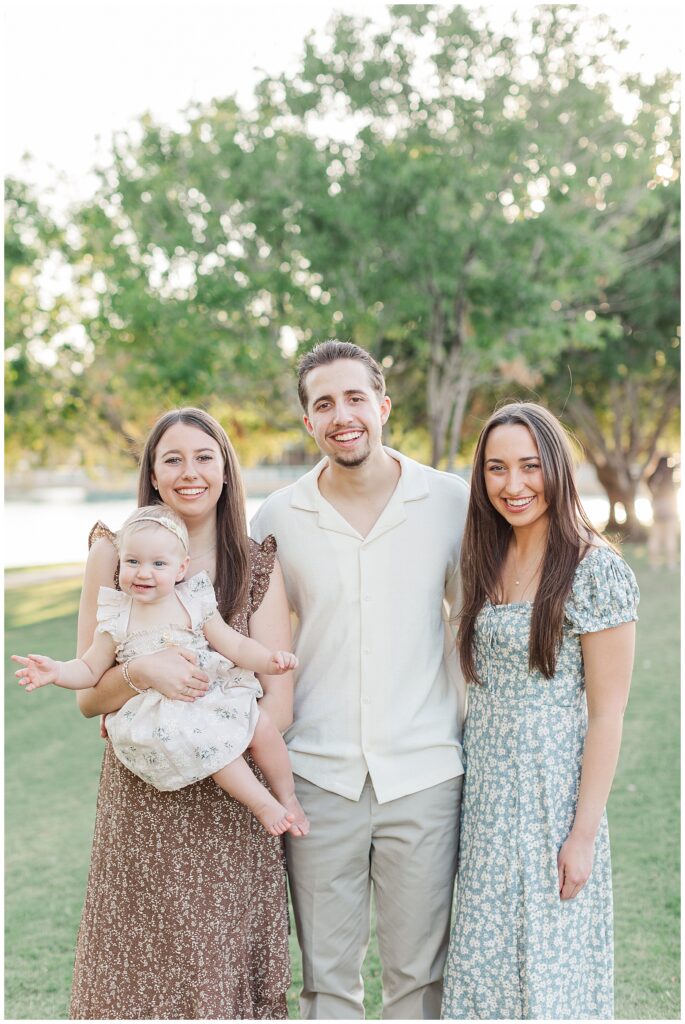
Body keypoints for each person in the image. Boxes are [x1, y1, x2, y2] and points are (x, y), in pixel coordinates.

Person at [251, 339, 469, 1019]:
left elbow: (471, 624)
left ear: (381, 405)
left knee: (418, 981)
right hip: (317, 778)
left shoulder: (451, 502)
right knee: (325, 984)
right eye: (323, 404)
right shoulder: (277, 518)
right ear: (307, 423)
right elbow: (263, 646)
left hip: (425, 776)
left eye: (353, 398)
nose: (340, 414)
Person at [68, 408, 294, 1019]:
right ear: (153, 473)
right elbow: (90, 697)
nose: (189, 472)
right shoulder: (112, 557)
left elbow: (279, 703)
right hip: (142, 802)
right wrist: (142, 673)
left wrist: (210, 740)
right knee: (137, 980)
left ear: (226, 471)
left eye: (204, 457)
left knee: (218, 982)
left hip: (232, 805)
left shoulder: (256, 563)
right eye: (172, 459)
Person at [441, 402, 639, 1020]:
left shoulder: (595, 571)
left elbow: (607, 716)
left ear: (557, 467)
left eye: (530, 466)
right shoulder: (484, 561)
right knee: (484, 973)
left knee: (549, 980)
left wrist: (580, 838)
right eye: (497, 469)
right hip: (486, 804)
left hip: (551, 804)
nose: (514, 485)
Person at [13, 504, 307, 838]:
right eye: (133, 562)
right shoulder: (116, 619)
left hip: (209, 692)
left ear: (180, 568)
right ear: (120, 563)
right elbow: (89, 668)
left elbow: (235, 645)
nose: (143, 573)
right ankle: (262, 803)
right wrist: (57, 672)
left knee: (263, 725)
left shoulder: (192, 602)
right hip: (165, 712)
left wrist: (269, 660)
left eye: (158, 564)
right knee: (209, 743)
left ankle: (288, 796)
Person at [647, 455, 679, 570]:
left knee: (655, 537)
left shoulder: (653, 476)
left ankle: (654, 564)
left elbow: (650, 488)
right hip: (670, 507)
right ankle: (671, 564)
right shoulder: (670, 473)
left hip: (657, 508)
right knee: (670, 537)